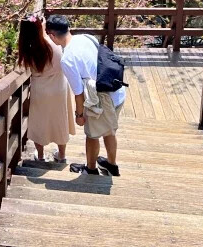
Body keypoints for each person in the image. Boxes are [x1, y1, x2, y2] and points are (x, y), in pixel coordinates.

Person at [46, 14, 125, 176]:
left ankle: (90, 169)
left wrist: (79, 115)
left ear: (52, 35)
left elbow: (79, 93)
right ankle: (111, 165)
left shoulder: (67, 59)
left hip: (102, 99)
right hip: (117, 89)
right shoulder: (86, 37)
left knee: (92, 134)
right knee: (109, 130)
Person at [17, 17, 75, 162]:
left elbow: (22, 69)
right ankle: (61, 156)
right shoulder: (53, 43)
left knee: (39, 122)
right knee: (60, 120)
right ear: (39, 26)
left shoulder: (27, 48)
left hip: (40, 89)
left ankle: (41, 156)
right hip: (59, 87)